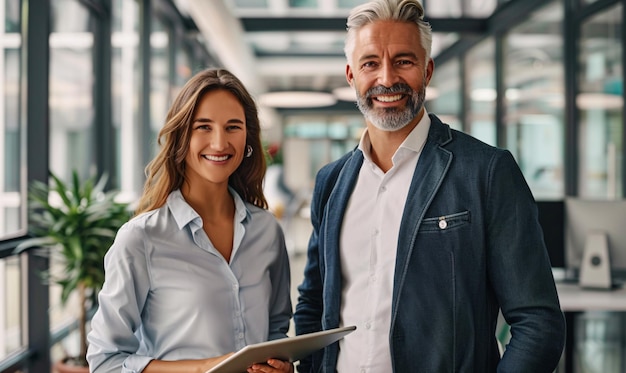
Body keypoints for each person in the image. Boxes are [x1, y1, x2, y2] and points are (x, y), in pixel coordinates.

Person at [293, 0, 566, 372]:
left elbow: (538, 323)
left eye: (403, 61)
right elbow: (313, 305)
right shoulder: (331, 181)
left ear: (428, 69)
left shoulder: (485, 171)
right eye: (370, 63)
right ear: (351, 75)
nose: (387, 78)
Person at [87, 68, 294, 373]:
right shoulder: (141, 239)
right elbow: (105, 362)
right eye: (203, 127)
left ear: (248, 137)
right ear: (181, 136)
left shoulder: (267, 231)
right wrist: (205, 367)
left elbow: (276, 331)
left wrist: (282, 368)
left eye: (233, 127)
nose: (220, 142)